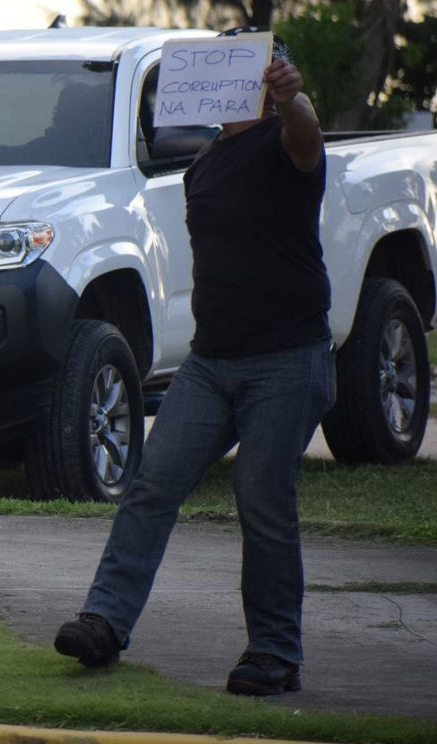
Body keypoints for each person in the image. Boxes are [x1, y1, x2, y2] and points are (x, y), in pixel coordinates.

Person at [53, 46, 333, 696]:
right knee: (151, 486)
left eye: (254, 69)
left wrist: (291, 97)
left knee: (262, 498)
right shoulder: (205, 162)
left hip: (286, 359)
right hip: (212, 362)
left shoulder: (285, 144)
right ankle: (104, 623)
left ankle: (274, 652)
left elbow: (307, 134)